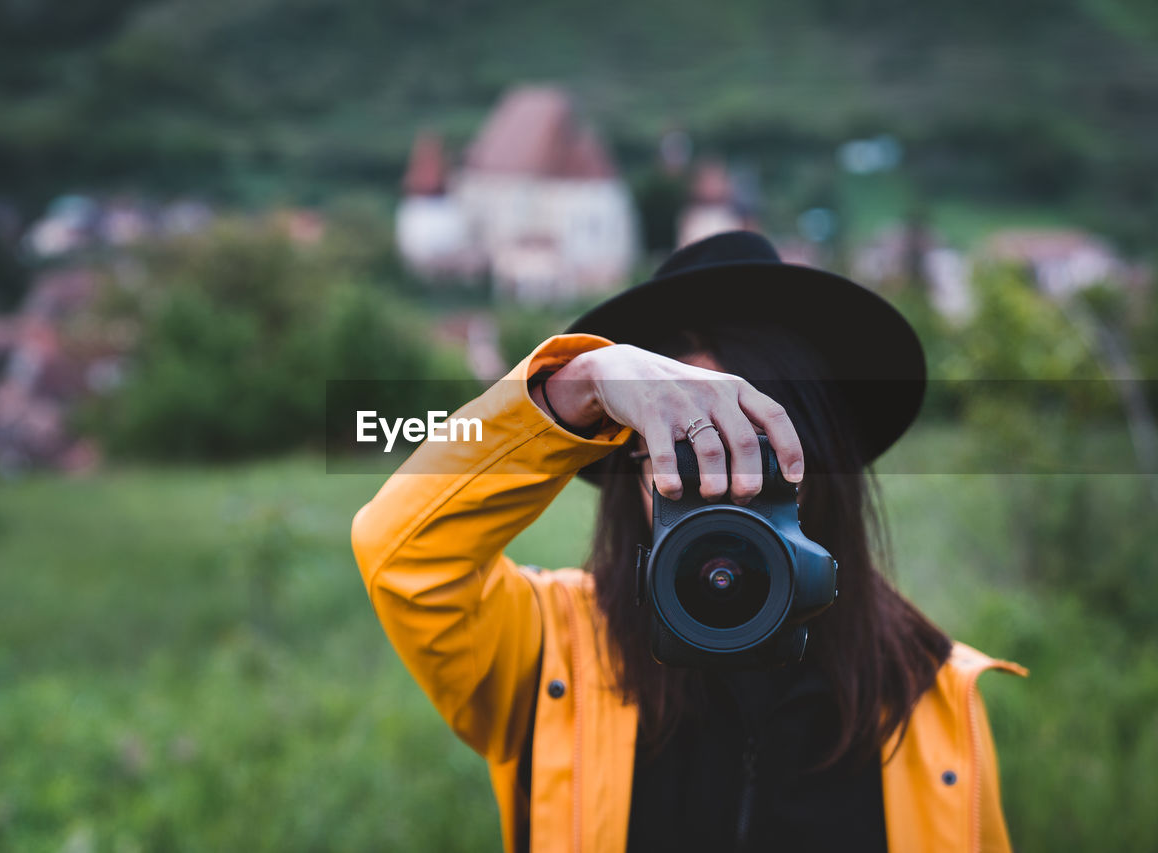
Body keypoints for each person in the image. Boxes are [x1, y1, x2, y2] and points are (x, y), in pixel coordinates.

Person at [351, 231, 1024, 852]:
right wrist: (578, 387)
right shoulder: (546, 653)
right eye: (682, 451)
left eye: (755, 446)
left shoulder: (932, 694)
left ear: (819, 458)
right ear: (629, 477)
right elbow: (404, 550)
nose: (722, 487)